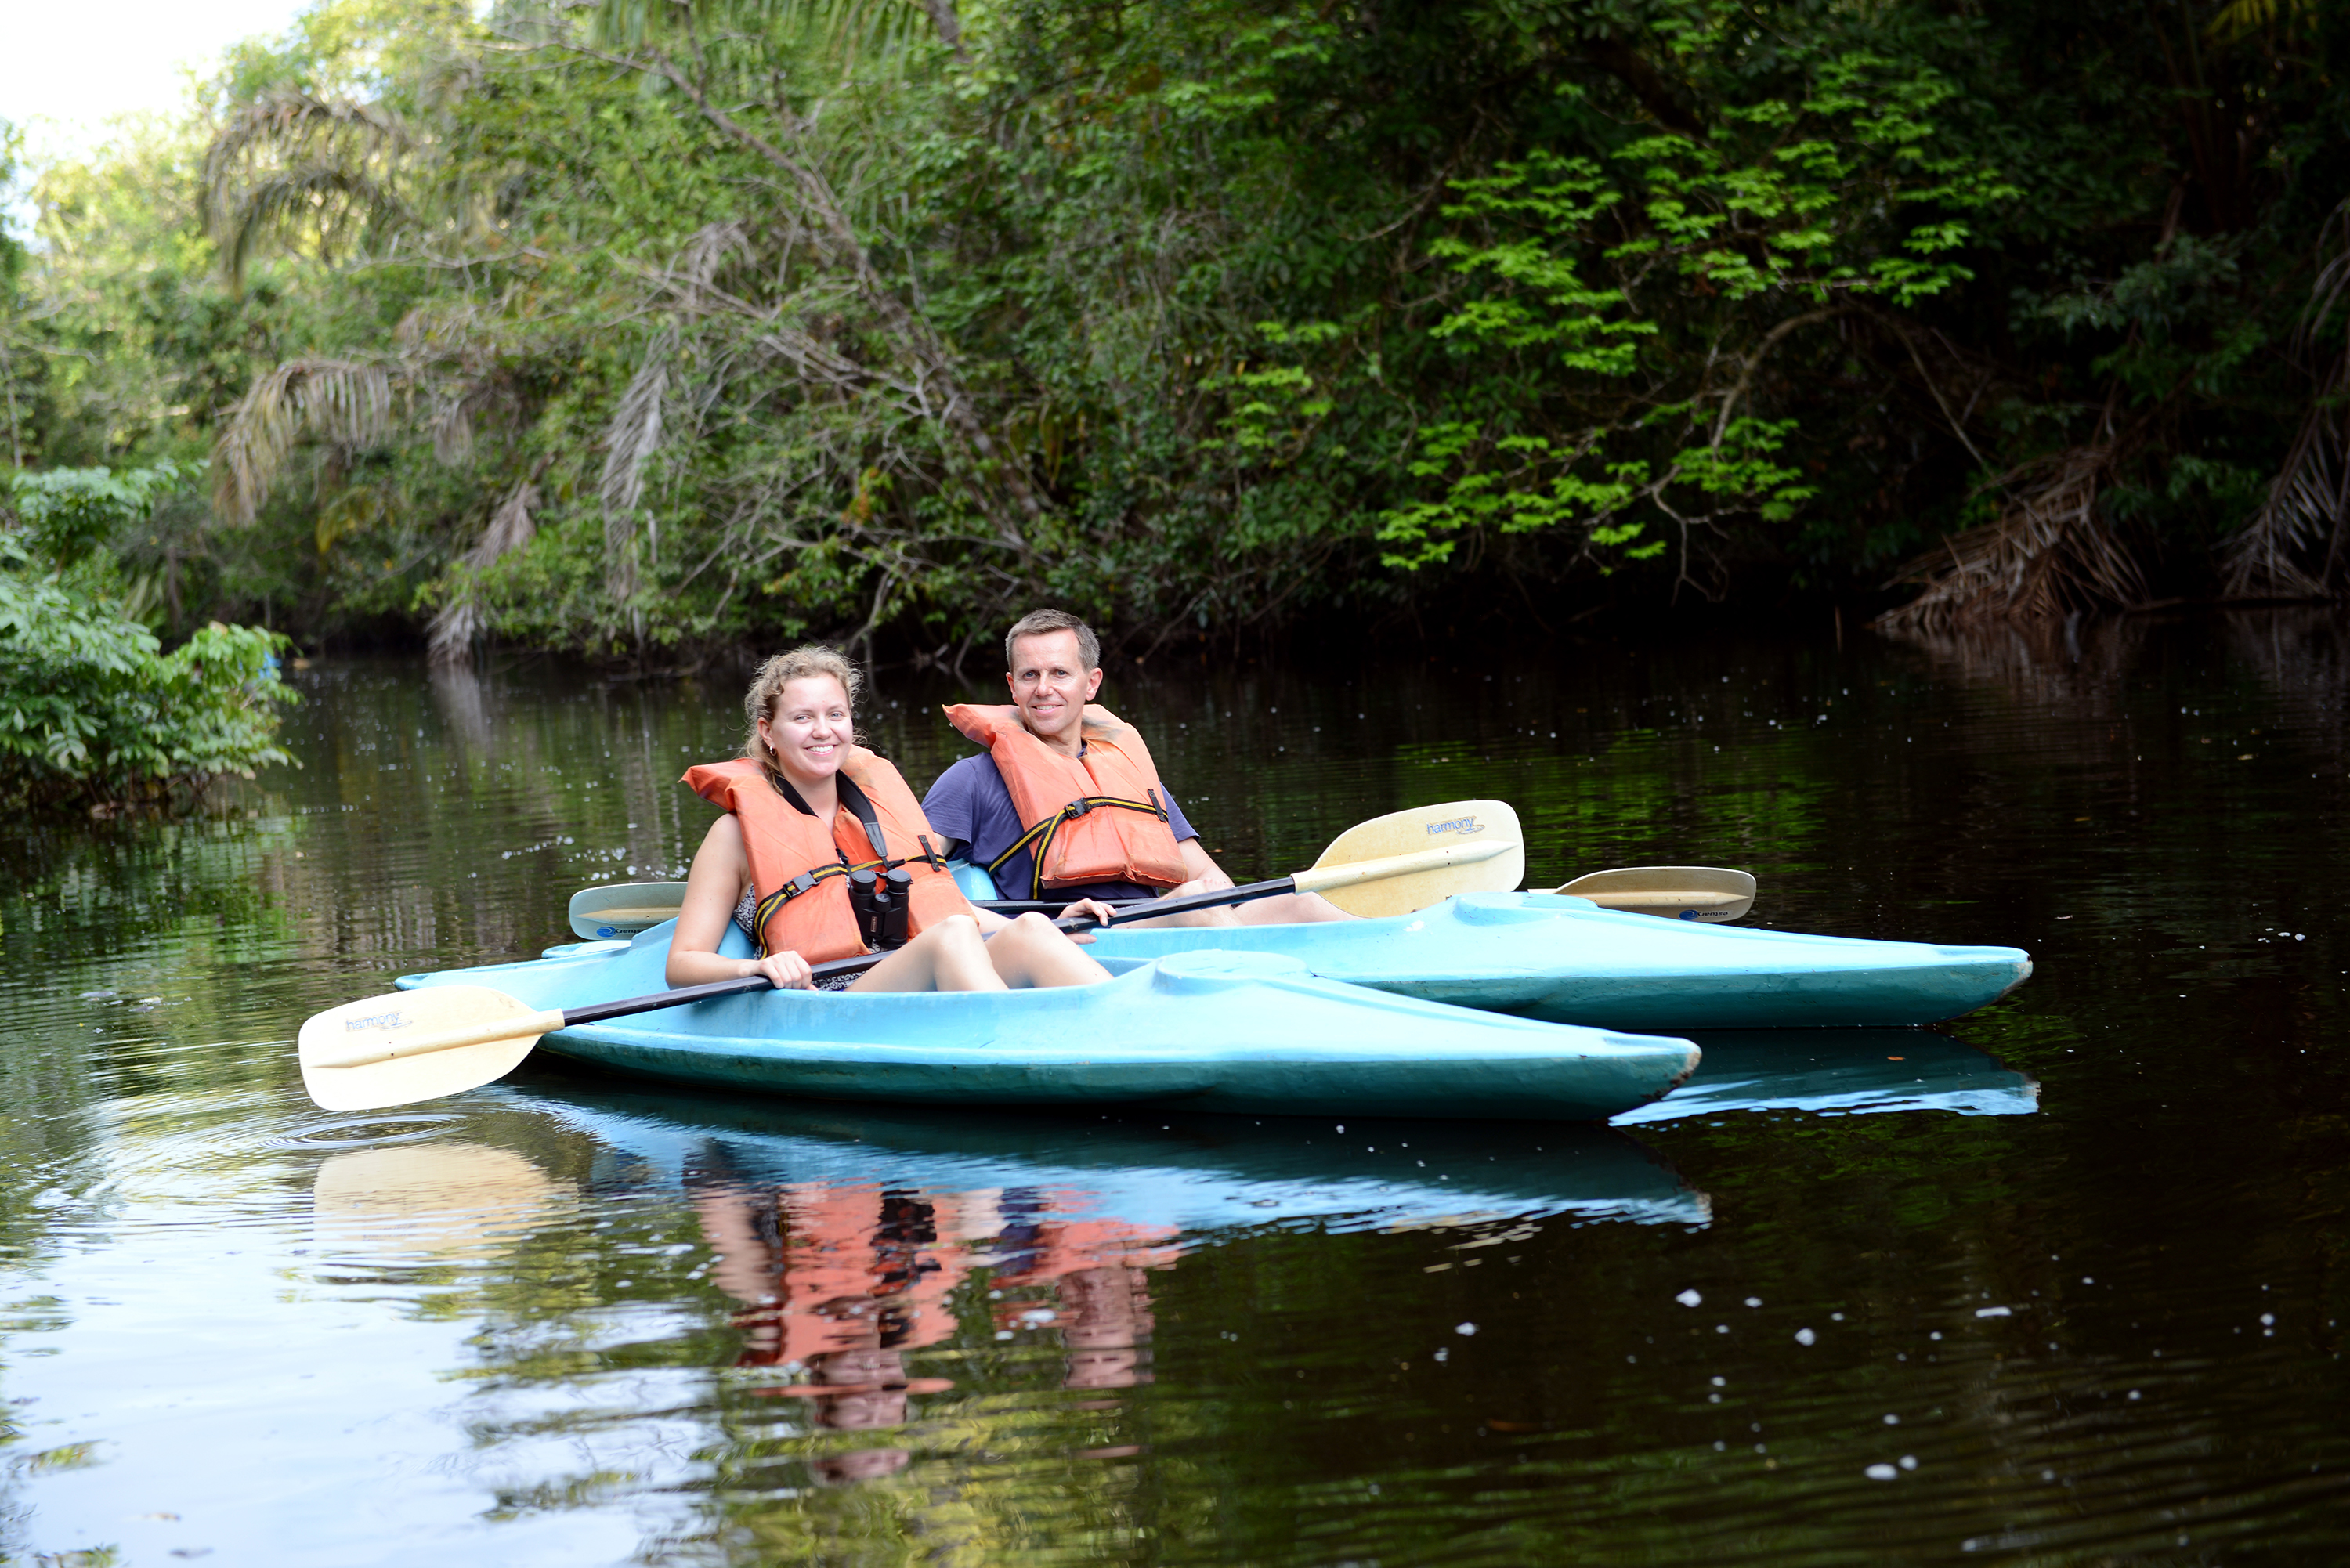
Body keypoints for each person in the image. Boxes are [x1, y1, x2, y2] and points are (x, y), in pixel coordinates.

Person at [668, 644, 1115, 992]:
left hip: (914, 972)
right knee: (952, 936)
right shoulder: (733, 835)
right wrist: (759, 966)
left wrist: (1057, 923)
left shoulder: (875, 814)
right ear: (768, 731)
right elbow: (683, 963)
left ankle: (1128, 1033)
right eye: (802, 718)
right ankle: (1022, 1053)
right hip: (833, 998)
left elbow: (947, 908)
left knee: (1031, 927)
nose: (823, 730)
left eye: (835, 715)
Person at [922, 609, 1352, 927]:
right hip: (1079, 935)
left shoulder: (1125, 770)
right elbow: (913, 882)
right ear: (1013, 686)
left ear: (1091, 683)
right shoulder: (969, 781)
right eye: (1030, 675)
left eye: (1060, 673)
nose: (1044, 689)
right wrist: (1032, 927)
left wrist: (1226, 905)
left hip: (1169, 919)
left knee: (1305, 904)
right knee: (1196, 913)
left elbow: (1206, 874)